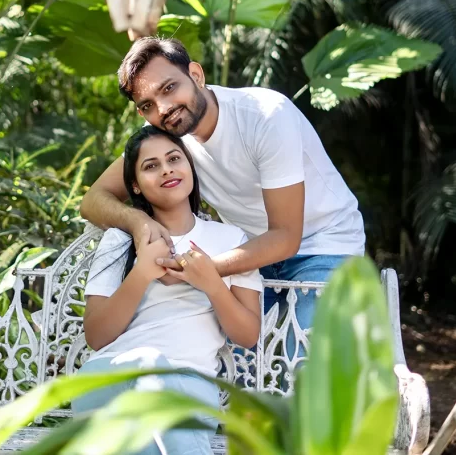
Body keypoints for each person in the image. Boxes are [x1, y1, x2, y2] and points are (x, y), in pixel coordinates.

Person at [80, 37, 365, 345]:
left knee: (306, 365)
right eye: (148, 105)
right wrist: (139, 222)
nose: (164, 108)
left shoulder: (265, 116)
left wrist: (203, 270)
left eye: (169, 88)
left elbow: (285, 237)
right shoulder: (170, 141)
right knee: (219, 359)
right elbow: (93, 200)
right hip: (248, 253)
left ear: (196, 76)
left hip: (321, 244)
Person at [74, 126, 262, 455]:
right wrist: (142, 272)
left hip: (191, 384)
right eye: (151, 166)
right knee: (148, 366)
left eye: (174, 159)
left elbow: (247, 335)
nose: (166, 169)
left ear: (190, 166)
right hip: (110, 378)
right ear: (135, 185)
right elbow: (96, 336)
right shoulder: (120, 240)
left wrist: (211, 283)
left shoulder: (232, 241)